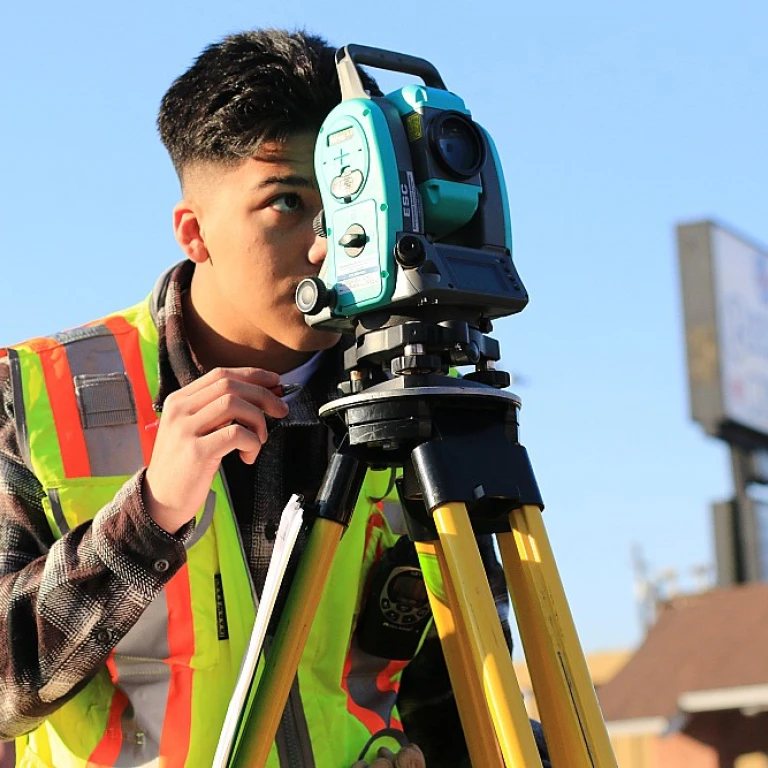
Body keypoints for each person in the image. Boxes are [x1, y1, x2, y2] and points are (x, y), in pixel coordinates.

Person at [0, 29, 549, 767]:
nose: (328, 244)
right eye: (286, 203)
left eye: (347, 202)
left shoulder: (404, 397)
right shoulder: (36, 392)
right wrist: (148, 517)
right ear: (195, 233)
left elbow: (458, 697)